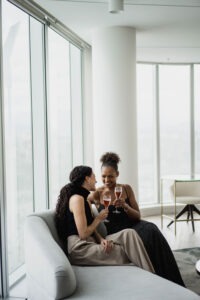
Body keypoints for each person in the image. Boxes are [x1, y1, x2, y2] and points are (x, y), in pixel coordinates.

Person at [88, 152, 185, 287]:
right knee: (144, 237)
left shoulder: (126, 189)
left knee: (152, 229)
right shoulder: (97, 194)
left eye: (110, 176)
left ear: (117, 174)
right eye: (103, 176)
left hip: (134, 224)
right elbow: (85, 212)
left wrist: (126, 207)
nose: (106, 180)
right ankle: (155, 280)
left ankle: (171, 279)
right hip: (118, 232)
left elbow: (137, 215)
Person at [55, 165, 154, 272]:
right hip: (80, 249)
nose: (96, 181)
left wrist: (101, 239)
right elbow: (83, 234)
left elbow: (91, 228)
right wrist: (98, 218)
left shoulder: (85, 199)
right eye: (94, 177)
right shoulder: (77, 199)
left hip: (91, 242)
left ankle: (151, 274)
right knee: (127, 251)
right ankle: (152, 278)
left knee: (130, 233)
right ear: (87, 179)